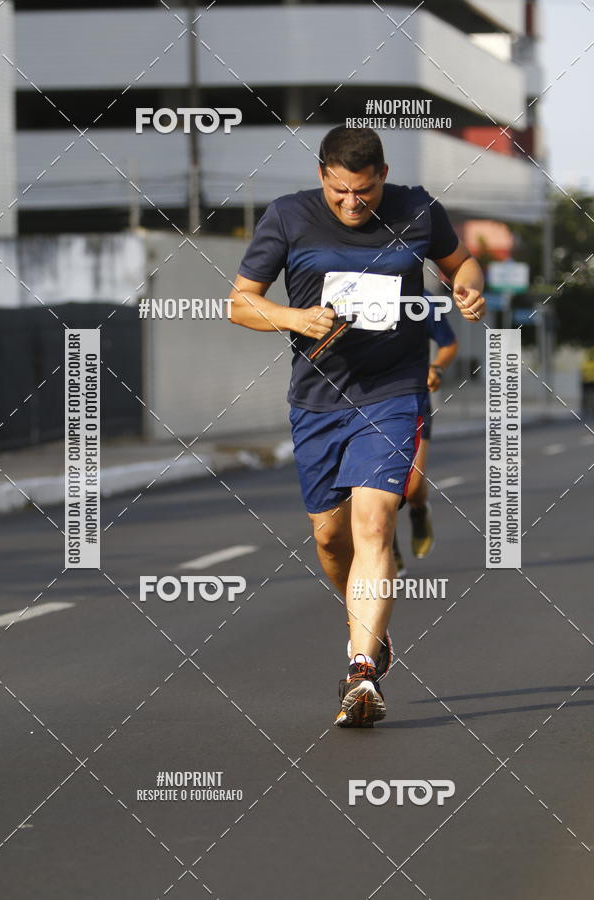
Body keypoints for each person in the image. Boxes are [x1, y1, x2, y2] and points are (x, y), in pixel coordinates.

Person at [228, 125, 485, 727]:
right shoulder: (288, 217)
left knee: (375, 522)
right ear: (322, 176)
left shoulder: (417, 209)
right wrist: (294, 317)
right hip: (318, 400)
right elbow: (240, 301)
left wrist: (469, 291)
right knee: (329, 539)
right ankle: (364, 625)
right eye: (340, 191)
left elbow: (462, 264)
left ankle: (361, 669)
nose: (351, 204)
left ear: (384, 176)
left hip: (393, 392)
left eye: (364, 193)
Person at [394, 308, 459, 572]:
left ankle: (419, 509)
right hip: (365, 403)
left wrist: (436, 368)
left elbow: (448, 343)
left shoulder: (420, 300)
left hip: (413, 400)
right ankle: (387, 549)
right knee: (374, 492)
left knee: (412, 487)